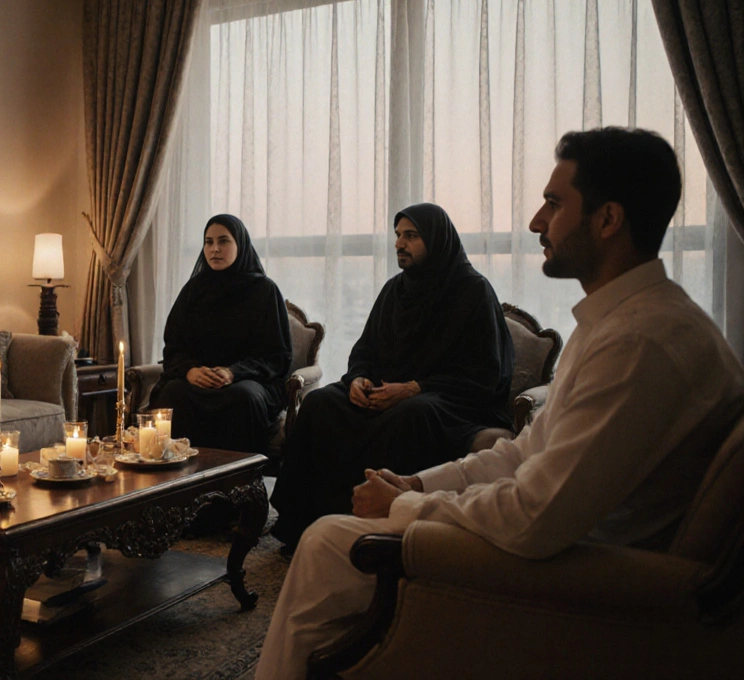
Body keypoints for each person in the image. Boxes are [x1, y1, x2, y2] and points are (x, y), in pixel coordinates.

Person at [256, 127, 744, 679]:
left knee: (327, 545)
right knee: (325, 416)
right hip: (568, 546)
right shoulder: (617, 326)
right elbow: (522, 452)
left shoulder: (640, 344)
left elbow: (534, 515)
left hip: (578, 576)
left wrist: (404, 507)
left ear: (608, 219)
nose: (536, 222)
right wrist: (416, 484)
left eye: (554, 204)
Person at [269, 203, 514, 552]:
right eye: (398, 235)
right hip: (387, 388)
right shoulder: (395, 289)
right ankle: (303, 522)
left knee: (412, 414)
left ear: (437, 239)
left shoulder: (473, 291)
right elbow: (365, 350)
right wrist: (358, 379)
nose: (400, 243)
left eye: (411, 236)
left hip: (452, 399)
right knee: (321, 403)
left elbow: (486, 372)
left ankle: (383, 531)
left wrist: (414, 388)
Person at [149, 214, 292, 453]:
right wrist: (190, 370)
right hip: (197, 379)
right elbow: (173, 346)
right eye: (208, 242)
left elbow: (277, 356)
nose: (214, 249)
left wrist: (233, 372)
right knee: (173, 393)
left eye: (223, 241)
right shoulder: (194, 291)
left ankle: (239, 479)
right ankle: (175, 479)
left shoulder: (265, 291)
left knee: (243, 398)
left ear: (241, 245)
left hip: (248, 381)